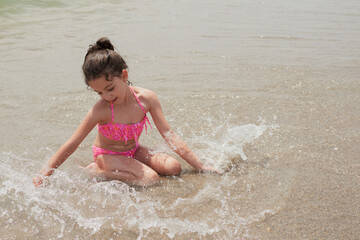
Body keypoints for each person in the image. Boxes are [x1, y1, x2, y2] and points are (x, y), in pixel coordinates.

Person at [33, 37, 221, 187]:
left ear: (124, 76)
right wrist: (45, 175)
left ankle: (126, 170)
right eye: (99, 92)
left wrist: (201, 166)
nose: (106, 96)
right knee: (150, 179)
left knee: (174, 167)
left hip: (132, 150)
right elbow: (71, 144)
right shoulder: (101, 109)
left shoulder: (147, 99)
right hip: (107, 155)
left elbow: (169, 135)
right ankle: (96, 171)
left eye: (109, 88)